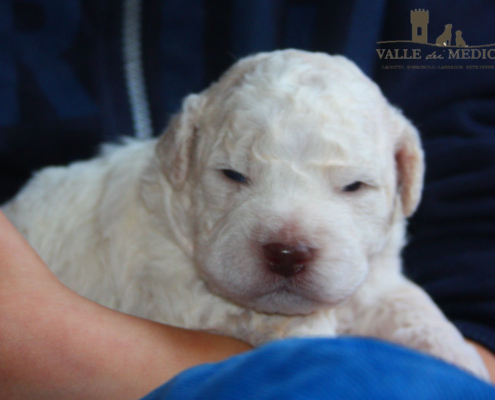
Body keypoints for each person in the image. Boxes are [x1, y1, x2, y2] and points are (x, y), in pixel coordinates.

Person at [1, 1, 494, 398]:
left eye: (352, 187)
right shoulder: (156, 221)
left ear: (404, 174)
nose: (287, 244)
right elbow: (302, 359)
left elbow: (398, 288)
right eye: (234, 176)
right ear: (180, 153)